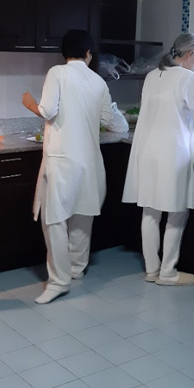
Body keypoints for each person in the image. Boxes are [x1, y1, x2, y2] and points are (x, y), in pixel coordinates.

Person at [22, 29, 128, 304]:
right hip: (90, 160)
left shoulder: (57, 73)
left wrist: (30, 103)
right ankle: (76, 268)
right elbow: (110, 121)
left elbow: (47, 110)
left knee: (54, 219)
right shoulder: (98, 81)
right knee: (83, 214)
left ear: (64, 52)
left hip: (62, 160)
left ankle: (59, 281)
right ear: (88, 53)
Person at [122, 33, 194, 286]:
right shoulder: (187, 78)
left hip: (147, 150)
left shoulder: (153, 75)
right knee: (177, 211)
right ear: (191, 54)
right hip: (173, 152)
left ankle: (151, 270)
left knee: (150, 211)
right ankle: (168, 273)